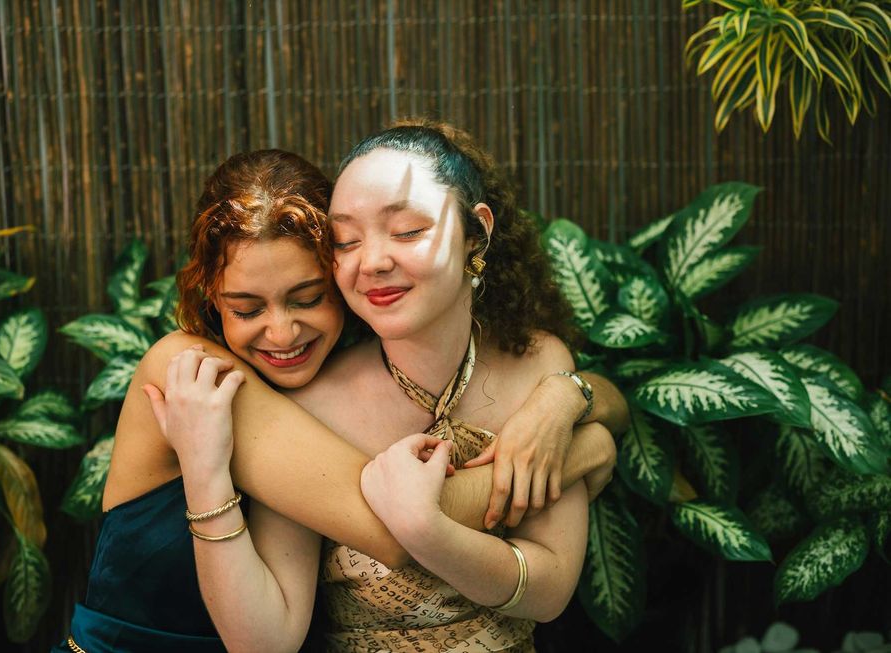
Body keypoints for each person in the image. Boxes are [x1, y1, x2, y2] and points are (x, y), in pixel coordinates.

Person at [58, 148, 624, 651]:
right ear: (211, 294)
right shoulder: (192, 375)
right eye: (247, 309)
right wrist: (585, 451)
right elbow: (389, 525)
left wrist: (575, 399)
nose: (281, 334)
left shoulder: (341, 366)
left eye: (308, 298)